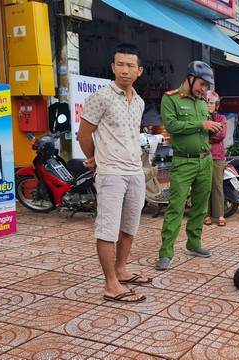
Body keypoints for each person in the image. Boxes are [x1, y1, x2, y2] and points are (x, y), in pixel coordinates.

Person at [77, 43, 149, 304]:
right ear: (112, 67)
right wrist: (94, 160)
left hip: (135, 171)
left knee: (129, 226)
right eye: (120, 64)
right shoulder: (101, 97)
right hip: (111, 173)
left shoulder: (139, 101)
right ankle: (110, 284)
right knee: (107, 229)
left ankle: (121, 270)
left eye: (130, 66)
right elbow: (84, 134)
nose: (124, 70)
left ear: (139, 70)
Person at [154, 61, 223, 270]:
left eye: (206, 86)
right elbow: (172, 125)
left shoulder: (203, 103)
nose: (204, 90)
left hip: (206, 160)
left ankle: (194, 243)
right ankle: (166, 252)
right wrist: (200, 124)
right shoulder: (171, 99)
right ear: (190, 78)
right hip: (184, 162)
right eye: (202, 84)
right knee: (176, 206)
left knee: (201, 206)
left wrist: (213, 129)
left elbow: (203, 131)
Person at [203, 90, 228, 227]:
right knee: (205, 185)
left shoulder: (221, 119)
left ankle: (220, 214)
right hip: (204, 155)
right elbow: (201, 133)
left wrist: (207, 135)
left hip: (218, 157)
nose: (209, 105)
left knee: (217, 185)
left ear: (216, 105)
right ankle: (206, 214)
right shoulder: (201, 118)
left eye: (211, 103)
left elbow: (221, 135)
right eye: (207, 102)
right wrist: (211, 133)